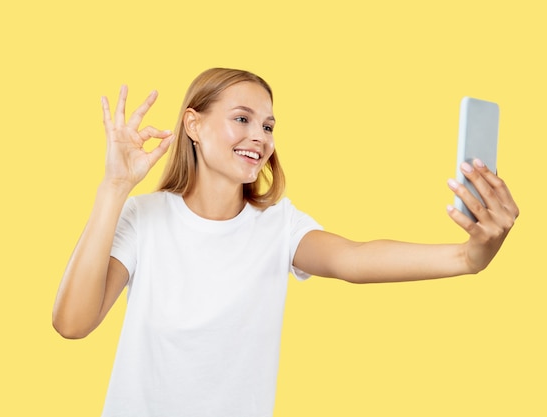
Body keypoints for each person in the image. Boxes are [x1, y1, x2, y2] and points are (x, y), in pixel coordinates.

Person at [52, 68, 519, 416]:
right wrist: (114, 188)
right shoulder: (144, 219)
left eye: (269, 126)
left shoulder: (278, 226)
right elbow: (72, 323)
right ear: (193, 125)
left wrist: (467, 257)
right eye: (243, 119)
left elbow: (354, 259)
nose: (260, 136)